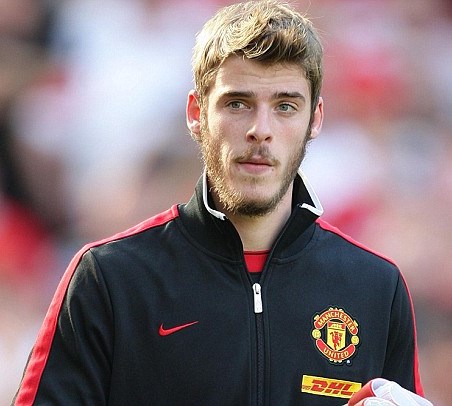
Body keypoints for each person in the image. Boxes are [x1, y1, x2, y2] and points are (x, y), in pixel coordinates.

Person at [13, 1, 429, 405]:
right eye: (237, 103)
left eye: (285, 106)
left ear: (314, 119)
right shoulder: (109, 279)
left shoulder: (376, 287)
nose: (260, 130)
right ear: (197, 113)